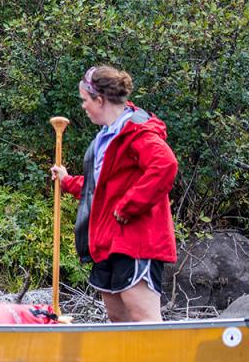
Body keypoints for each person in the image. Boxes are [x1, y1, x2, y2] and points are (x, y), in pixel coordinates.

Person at [51, 65, 178, 323]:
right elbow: (103, 186)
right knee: (117, 318)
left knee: (142, 318)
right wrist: (68, 181)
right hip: (108, 241)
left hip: (136, 241)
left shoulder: (136, 131)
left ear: (100, 99)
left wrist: (128, 206)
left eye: (85, 100)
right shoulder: (106, 136)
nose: (83, 106)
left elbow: (165, 165)